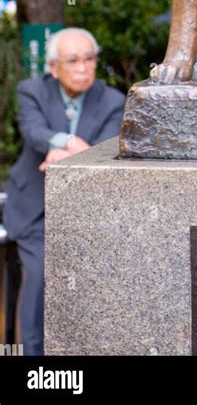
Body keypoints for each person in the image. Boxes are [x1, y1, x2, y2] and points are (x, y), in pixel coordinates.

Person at [3, 27, 125, 355]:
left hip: (87, 212)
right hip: (34, 210)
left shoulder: (114, 100)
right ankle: (34, 360)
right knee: (40, 275)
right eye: (73, 61)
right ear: (54, 67)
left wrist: (65, 155)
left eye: (89, 59)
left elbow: (106, 149)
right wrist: (70, 143)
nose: (83, 68)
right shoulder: (32, 91)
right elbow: (34, 131)